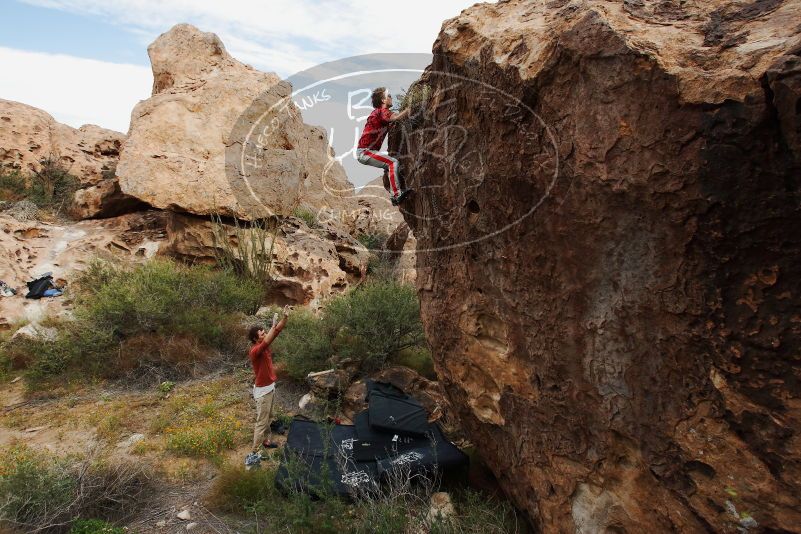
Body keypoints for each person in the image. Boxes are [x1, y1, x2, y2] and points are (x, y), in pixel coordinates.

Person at [356, 86, 411, 205]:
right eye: (389, 96)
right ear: (383, 100)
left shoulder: (378, 113)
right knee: (392, 163)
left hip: (366, 152)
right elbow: (395, 117)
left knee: (389, 166)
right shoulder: (381, 111)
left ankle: (395, 193)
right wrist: (409, 109)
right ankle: (396, 195)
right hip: (365, 152)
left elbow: (393, 121)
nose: (391, 98)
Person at [247, 305, 290, 457]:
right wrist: (272, 326)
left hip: (269, 387)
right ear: (255, 338)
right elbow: (269, 339)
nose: (264, 335)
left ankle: (265, 441)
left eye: (265, 332)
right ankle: (254, 452)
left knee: (268, 418)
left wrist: (285, 317)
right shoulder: (255, 350)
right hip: (263, 391)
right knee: (261, 422)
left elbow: (276, 331)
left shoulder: (263, 345)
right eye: (261, 334)